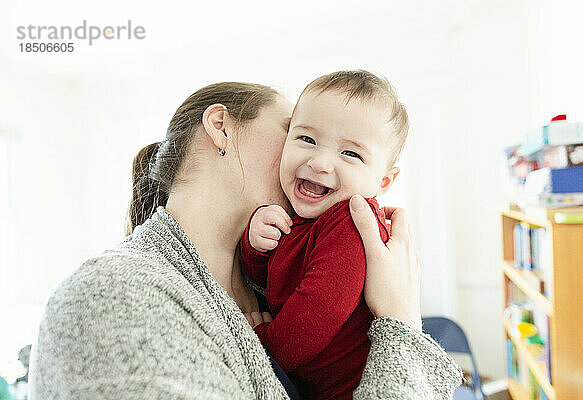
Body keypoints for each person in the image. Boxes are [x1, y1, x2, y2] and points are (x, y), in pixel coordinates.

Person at [29, 81, 462, 399]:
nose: (316, 159)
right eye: (299, 131)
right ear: (221, 126)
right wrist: (402, 326)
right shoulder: (115, 293)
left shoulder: (258, 287)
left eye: (348, 151)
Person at [240, 71, 408, 399]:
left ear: (383, 182)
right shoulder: (302, 218)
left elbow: (316, 312)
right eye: (307, 139)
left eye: (351, 154)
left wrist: (257, 341)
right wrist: (256, 244)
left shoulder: (350, 221)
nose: (319, 163)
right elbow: (273, 281)